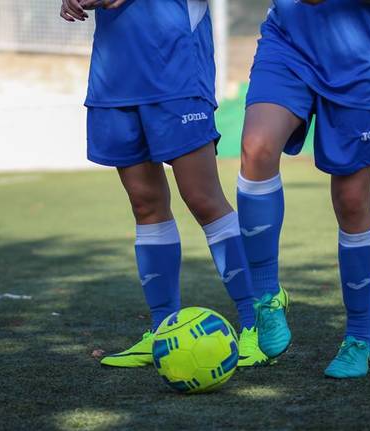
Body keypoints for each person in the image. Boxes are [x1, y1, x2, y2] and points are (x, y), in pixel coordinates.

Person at [60, 0, 289, 368]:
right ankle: (161, 329)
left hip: (175, 66)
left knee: (202, 198)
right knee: (145, 204)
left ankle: (253, 326)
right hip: (114, 72)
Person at [237, 0, 370, 378]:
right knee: (256, 148)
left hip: (357, 57)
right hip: (286, 43)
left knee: (351, 201)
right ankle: (267, 298)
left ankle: (359, 337)